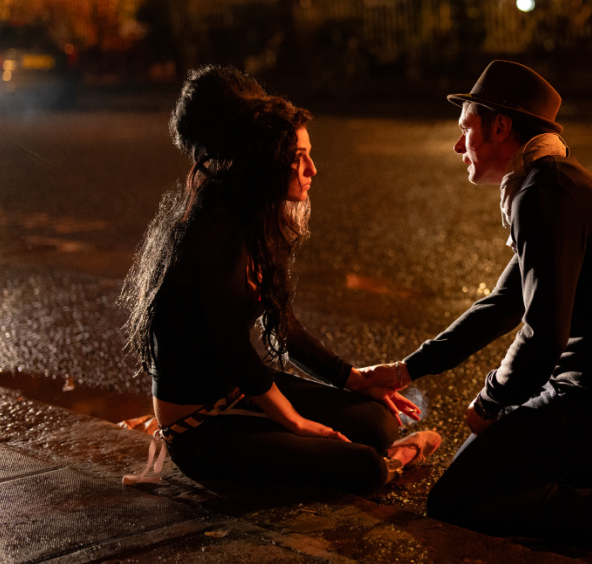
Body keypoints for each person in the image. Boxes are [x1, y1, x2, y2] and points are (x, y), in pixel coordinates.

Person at [359, 61, 592, 544]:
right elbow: (504, 304)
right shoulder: (548, 183)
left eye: (464, 129)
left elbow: (543, 334)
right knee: (491, 470)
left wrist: (491, 401)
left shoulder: (544, 194)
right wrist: (409, 369)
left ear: (500, 126)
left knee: (453, 502)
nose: (456, 146)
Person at [119, 65, 438, 492]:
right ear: (263, 164)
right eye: (297, 159)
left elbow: (283, 324)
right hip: (201, 428)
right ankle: (395, 461)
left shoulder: (252, 219)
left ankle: (368, 448)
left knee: (377, 421)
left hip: (239, 394)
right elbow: (233, 350)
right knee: (364, 466)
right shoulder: (218, 233)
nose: (312, 169)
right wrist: (295, 422)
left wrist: (354, 378)